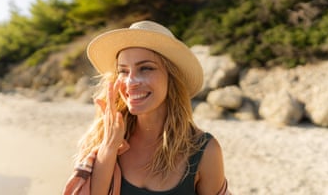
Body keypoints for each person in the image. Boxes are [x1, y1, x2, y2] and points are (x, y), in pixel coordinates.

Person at [63, 20, 231, 195]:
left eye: (146, 68)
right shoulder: (98, 140)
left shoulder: (204, 150)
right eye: (123, 71)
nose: (131, 82)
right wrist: (109, 147)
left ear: (171, 77)